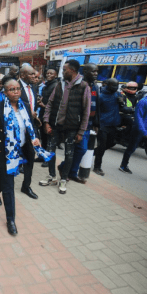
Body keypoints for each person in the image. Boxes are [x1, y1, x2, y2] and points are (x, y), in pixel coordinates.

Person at [0, 79, 40, 235]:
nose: (16, 92)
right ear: (5, 92)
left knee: (5, 177)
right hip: (5, 152)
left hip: (23, 149)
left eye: (18, 89)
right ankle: (10, 219)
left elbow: (30, 125)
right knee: (8, 184)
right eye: (12, 89)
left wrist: (35, 139)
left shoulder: (24, 105)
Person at [40, 59, 91, 194]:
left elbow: (86, 111)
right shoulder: (59, 85)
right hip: (54, 126)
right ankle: (52, 176)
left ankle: (63, 179)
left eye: (64, 70)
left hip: (72, 128)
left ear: (72, 71)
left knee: (69, 154)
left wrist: (81, 131)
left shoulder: (84, 86)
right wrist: (46, 122)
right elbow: (50, 104)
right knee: (50, 151)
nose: (62, 72)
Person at [60, 63, 100, 184]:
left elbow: (96, 106)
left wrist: (96, 123)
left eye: (97, 71)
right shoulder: (79, 84)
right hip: (76, 123)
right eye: (93, 71)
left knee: (81, 149)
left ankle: (69, 171)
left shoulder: (95, 86)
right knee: (77, 149)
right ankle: (66, 170)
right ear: (85, 71)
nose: (96, 74)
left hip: (89, 123)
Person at [119, 82, 147, 184]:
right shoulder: (143, 102)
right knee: (131, 148)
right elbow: (138, 119)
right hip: (139, 130)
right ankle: (123, 165)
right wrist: (144, 132)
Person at [92, 78, 124, 176]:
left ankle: (91, 152)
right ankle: (97, 167)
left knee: (111, 143)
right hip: (103, 124)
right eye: (113, 85)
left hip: (113, 124)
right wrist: (96, 125)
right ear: (107, 85)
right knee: (102, 146)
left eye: (117, 85)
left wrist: (122, 102)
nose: (115, 88)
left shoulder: (118, 95)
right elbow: (96, 111)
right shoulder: (101, 96)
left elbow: (123, 108)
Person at [18, 65, 40, 199]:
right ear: (23, 74)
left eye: (35, 75)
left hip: (30, 129)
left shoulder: (34, 87)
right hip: (17, 129)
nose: (34, 77)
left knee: (30, 156)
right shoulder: (15, 86)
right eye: (31, 74)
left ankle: (26, 186)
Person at [38, 68, 59, 167]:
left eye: (51, 73)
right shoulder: (46, 86)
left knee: (49, 139)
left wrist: (44, 105)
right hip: (43, 115)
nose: (49, 75)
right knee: (43, 138)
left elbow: (55, 105)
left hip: (51, 117)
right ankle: (42, 156)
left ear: (56, 75)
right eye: (47, 73)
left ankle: (48, 160)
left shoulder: (55, 86)